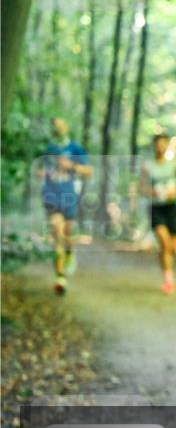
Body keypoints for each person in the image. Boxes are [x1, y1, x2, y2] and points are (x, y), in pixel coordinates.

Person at [40, 117, 92, 295]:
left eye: (61, 124)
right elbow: (38, 170)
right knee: (57, 233)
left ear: (67, 127)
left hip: (69, 197)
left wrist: (71, 166)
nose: (58, 128)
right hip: (52, 198)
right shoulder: (47, 148)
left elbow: (88, 171)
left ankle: (70, 252)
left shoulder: (75, 148)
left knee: (68, 235)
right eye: (54, 125)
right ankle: (60, 277)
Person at [141, 133, 176, 295]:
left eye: (163, 144)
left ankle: (165, 263)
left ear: (167, 145)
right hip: (156, 208)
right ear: (154, 146)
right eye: (158, 144)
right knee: (165, 242)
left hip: (171, 208)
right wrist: (152, 192)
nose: (160, 147)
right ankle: (168, 280)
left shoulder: (175, 164)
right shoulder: (148, 166)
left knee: (172, 248)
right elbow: (142, 189)